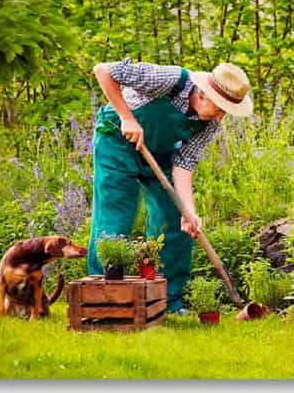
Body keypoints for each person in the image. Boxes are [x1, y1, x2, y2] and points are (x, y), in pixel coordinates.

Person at [89, 58, 253, 313]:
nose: (221, 116)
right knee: (115, 218)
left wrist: (189, 211)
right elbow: (103, 71)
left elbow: (184, 164)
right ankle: (102, 297)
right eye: (220, 108)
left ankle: (166, 300)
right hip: (116, 142)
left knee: (177, 221)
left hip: (160, 154)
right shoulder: (169, 79)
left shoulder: (209, 123)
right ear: (204, 94)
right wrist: (127, 118)